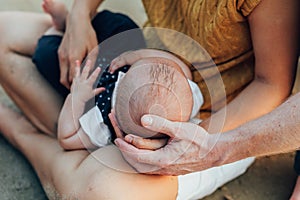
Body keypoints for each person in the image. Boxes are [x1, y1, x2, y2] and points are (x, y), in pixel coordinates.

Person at [0, 0, 298, 199]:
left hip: (218, 118)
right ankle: (80, 155)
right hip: (137, 61)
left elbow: (271, 85)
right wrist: (79, 16)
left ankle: (19, 131)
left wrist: (192, 142)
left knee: (102, 192)